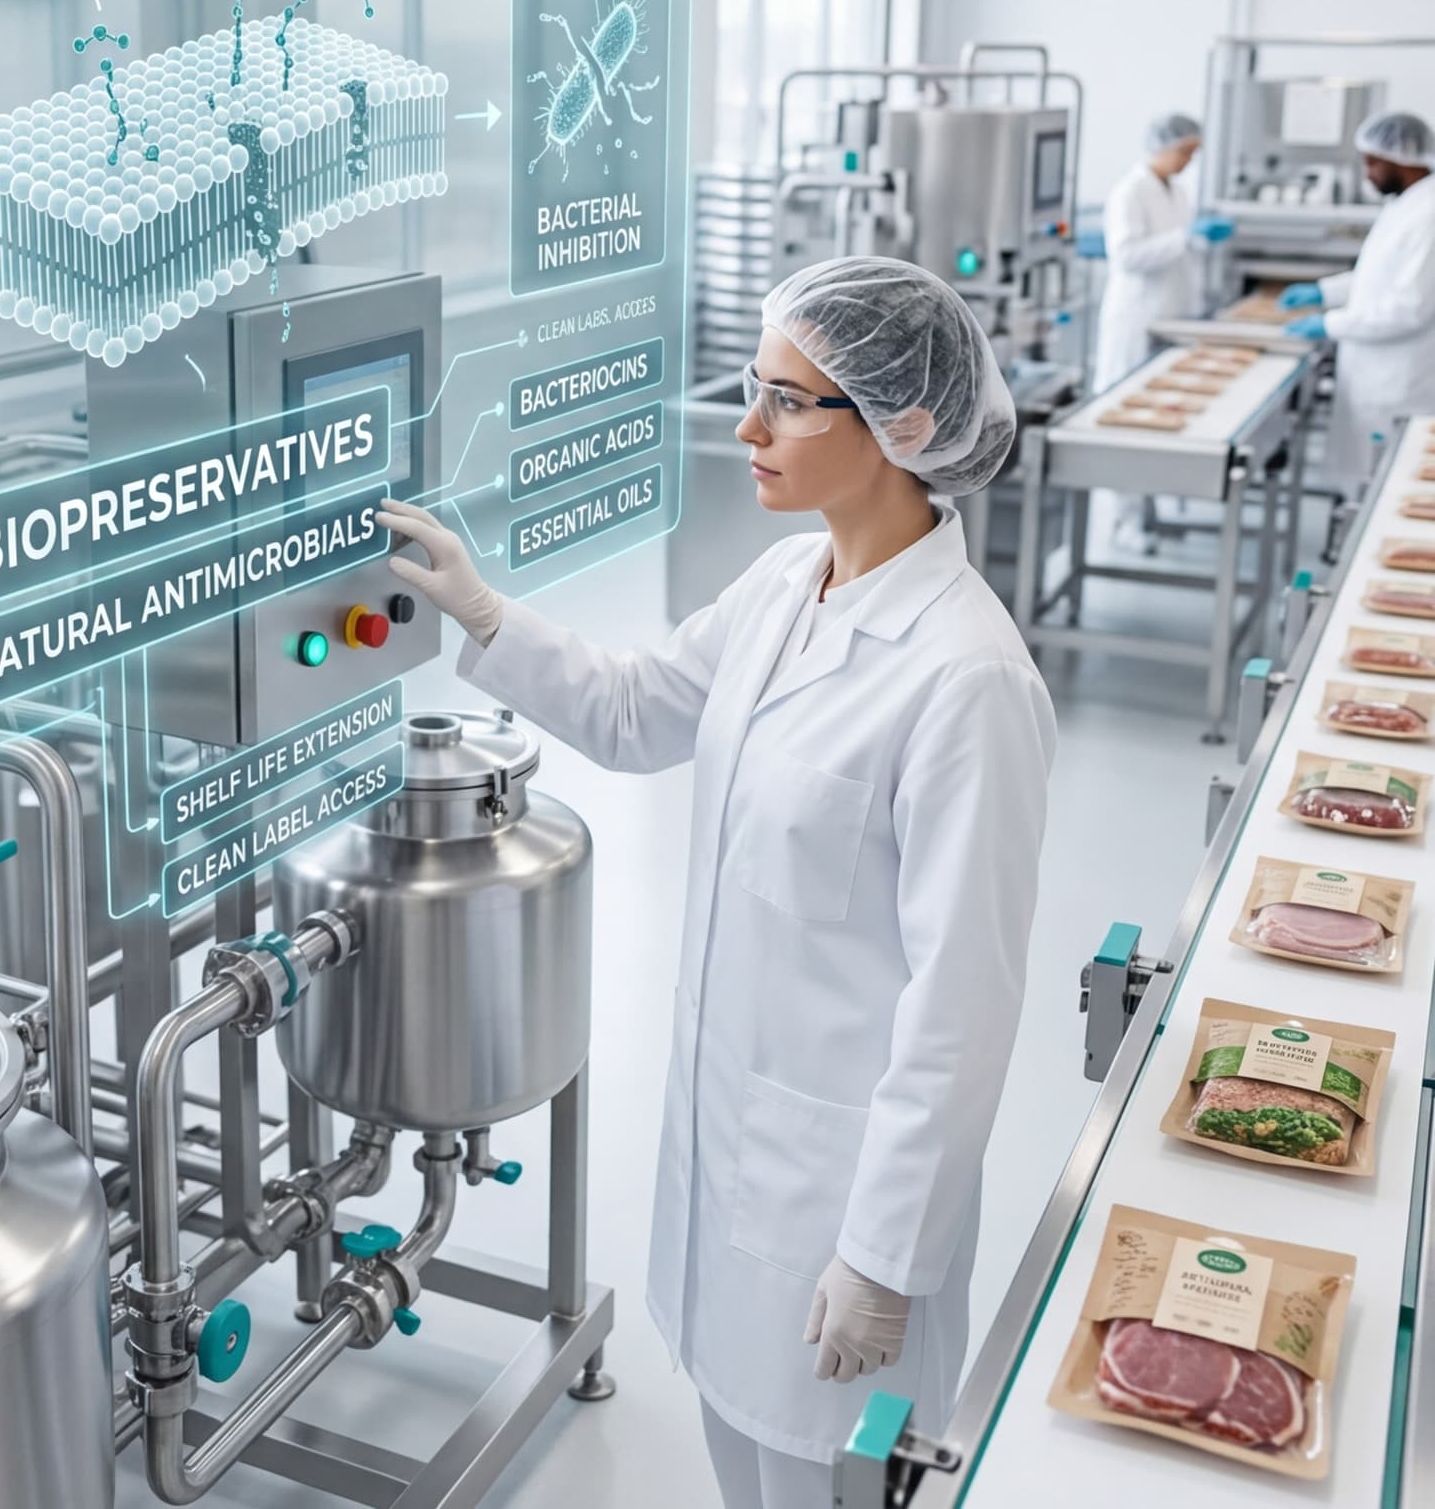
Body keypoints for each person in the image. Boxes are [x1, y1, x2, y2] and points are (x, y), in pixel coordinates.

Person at [378, 257, 1055, 1509]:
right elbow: (639, 713)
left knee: (820, 1484)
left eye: (790, 402)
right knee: (740, 1467)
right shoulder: (787, 586)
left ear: (900, 426)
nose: (748, 427)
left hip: (840, 1216)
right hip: (739, 1169)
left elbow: (963, 1009)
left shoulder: (968, 682)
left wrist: (884, 1258)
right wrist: (482, 613)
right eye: (755, 390)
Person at [1282, 112, 1435, 493]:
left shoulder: (1429, 214)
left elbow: (1411, 308)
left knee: (1386, 487)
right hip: (1372, 370)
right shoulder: (1405, 205)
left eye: (1372, 161)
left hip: (1399, 377)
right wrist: (1325, 290)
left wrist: (1331, 324)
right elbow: (1377, 278)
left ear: (1403, 158)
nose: (1366, 172)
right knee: (1363, 482)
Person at [1092, 112, 1230, 398]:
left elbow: (1178, 249)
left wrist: (1198, 241)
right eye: (1184, 152)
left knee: (1160, 395)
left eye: (1193, 154)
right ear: (1162, 147)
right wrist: (1185, 237)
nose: (1188, 161)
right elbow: (1127, 256)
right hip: (1138, 315)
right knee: (1125, 393)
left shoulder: (1177, 192)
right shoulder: (1130, 192)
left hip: (1171, 312)